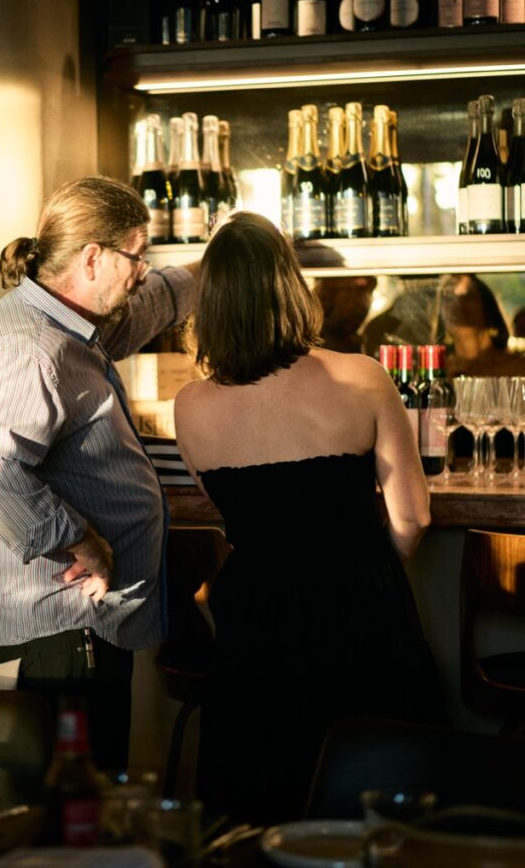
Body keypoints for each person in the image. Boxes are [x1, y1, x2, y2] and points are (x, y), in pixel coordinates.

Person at [173, 211, 446, 826]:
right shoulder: (362, 376)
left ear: (208, 301)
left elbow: (234, 512)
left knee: (263, 803)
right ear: (292, 286)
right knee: (381, 799)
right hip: (361, 605)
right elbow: (414, 515)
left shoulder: (191, 405)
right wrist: (362, 566)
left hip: (255, 618)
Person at [0, 176, 197, 772]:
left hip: (76, 631)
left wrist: (219, 262)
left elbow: (150, 305)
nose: (142, 271)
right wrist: (76, 537)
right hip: (54, 640)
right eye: (137, 255)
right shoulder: (34, 344)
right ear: (93, 257)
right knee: (60, 828)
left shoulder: (71, 324)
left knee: (83, 815)